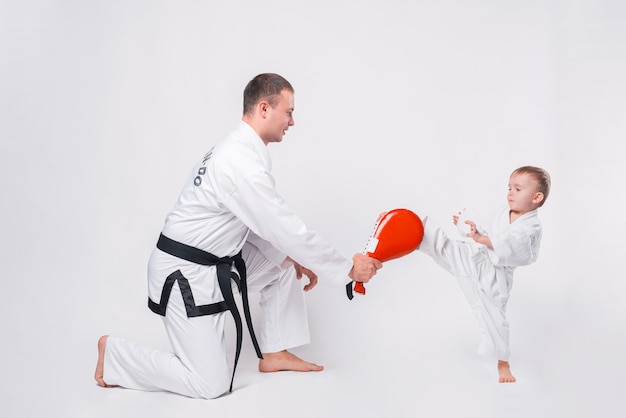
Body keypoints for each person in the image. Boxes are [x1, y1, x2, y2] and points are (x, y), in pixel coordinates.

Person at [94, 73, 382, 399]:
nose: (292, 121)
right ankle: (116, 356)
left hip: (210, 261)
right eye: (288, 112)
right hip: (185, 273)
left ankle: (274, 352)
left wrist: (293, 257)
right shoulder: (240, 162)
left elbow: (254, 224)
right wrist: (347, 269)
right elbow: (284, 228)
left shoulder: (239, 150)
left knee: (285, 262)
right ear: (263, 108)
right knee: (210, 384)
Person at [415, 166, 550, 383]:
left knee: (495, 318)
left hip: (495, 278)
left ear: (536, 197)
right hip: (476, 257)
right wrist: (470, 226)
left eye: (517, 189)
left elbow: (516, 247)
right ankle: (415, 232)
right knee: (448, 248)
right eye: (509, 188)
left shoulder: (531, 227)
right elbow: (483, 231)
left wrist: (482, 239)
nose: (510, 193)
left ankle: (503, 363)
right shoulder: (502, 212)